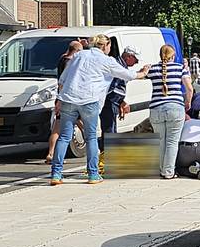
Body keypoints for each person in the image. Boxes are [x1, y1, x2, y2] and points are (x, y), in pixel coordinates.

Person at [50, 34, 150, 186]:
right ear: (105, 46)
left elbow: (63, 79)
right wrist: (143, 73)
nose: (110, 50)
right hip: (90, 100)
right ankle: (93, 174)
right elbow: (128, 75)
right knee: (91, 137)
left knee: (64, 136)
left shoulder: (79, 55)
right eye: (109, 46)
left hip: (69, 98)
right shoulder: (107, 60)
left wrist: (59, 98)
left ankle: (56, 174)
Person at [143, 44, 192, 180]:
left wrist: (145, 68)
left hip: (156, 109)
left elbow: (140, 75)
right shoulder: (180, 68)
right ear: (173, 55)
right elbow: (189, 88)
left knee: (161, 141)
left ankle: (161, 169)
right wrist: (188, 102)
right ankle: (168, 171)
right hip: (175, 108)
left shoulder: (153, 69)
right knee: (172, 142)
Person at [46, 40, 86, 164]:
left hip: (60, 98)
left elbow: (68, 51)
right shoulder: (72, 63)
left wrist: (78, 43)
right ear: (77, 51)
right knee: (82, 124)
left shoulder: (62, 59)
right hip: (71, 98)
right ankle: (94, 144)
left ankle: (50, 153)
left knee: (56, 128)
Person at [99, 45, 139, 153]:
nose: (137, 62)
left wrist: (121, 101)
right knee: (109, 130)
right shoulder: (118, 66)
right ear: (128, 57)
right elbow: (111, 88)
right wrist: (118, 101)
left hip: (112, 102)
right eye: (136, 59)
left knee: (111, 129)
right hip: (109, 102)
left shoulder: (121, 66)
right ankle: (108, 156)